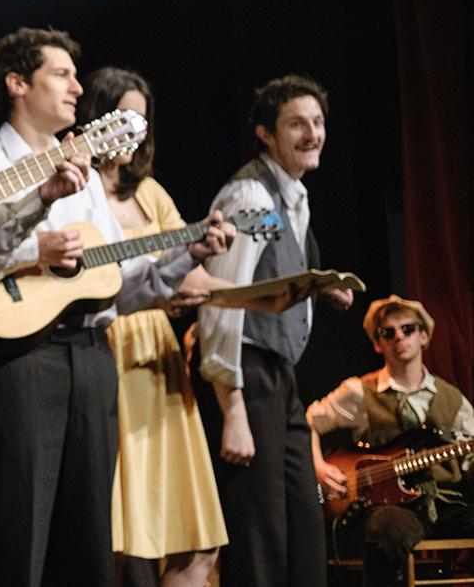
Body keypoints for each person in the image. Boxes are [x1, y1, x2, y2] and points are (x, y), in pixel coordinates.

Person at [0, 28, 230, 587]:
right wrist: (36, 243)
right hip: (20, 358)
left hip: (94, 357)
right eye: (61, 75)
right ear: (17, 84)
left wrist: (185, 257)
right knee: (18, 535)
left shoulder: (88, 177)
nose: (77, 87)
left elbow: (114, 285)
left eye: (77, 76)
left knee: (89, 539)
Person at [196, 74, 355, 586]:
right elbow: (222, 300)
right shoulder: (251, 196)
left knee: (304, 521)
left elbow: (274, 274)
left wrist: (319, 288)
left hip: (280, 375)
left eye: (318, 122)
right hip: (246, 372)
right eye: (296, 124)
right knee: (260, 529)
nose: (312, 134)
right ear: (266, 134)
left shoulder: (292, 196)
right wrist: (233, 410)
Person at [78, 67, 229, 587]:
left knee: (194, 537)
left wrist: (248, 291)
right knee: (121, 537)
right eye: (125, 119)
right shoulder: (78, 191)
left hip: (157, 360)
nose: (135, 133)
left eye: (142, 122)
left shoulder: (151, 193)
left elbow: (193, 274)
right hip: (107, 347)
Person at [307, 295, 473, 587]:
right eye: (387, 332)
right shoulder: (359, 391)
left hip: (446, 502)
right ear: (377, 343)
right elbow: (307, 422)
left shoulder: (453, 399)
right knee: (386, 534)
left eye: (408, 329)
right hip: (393, 506)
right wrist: (318, 467)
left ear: (424, 336)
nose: (399, 337)